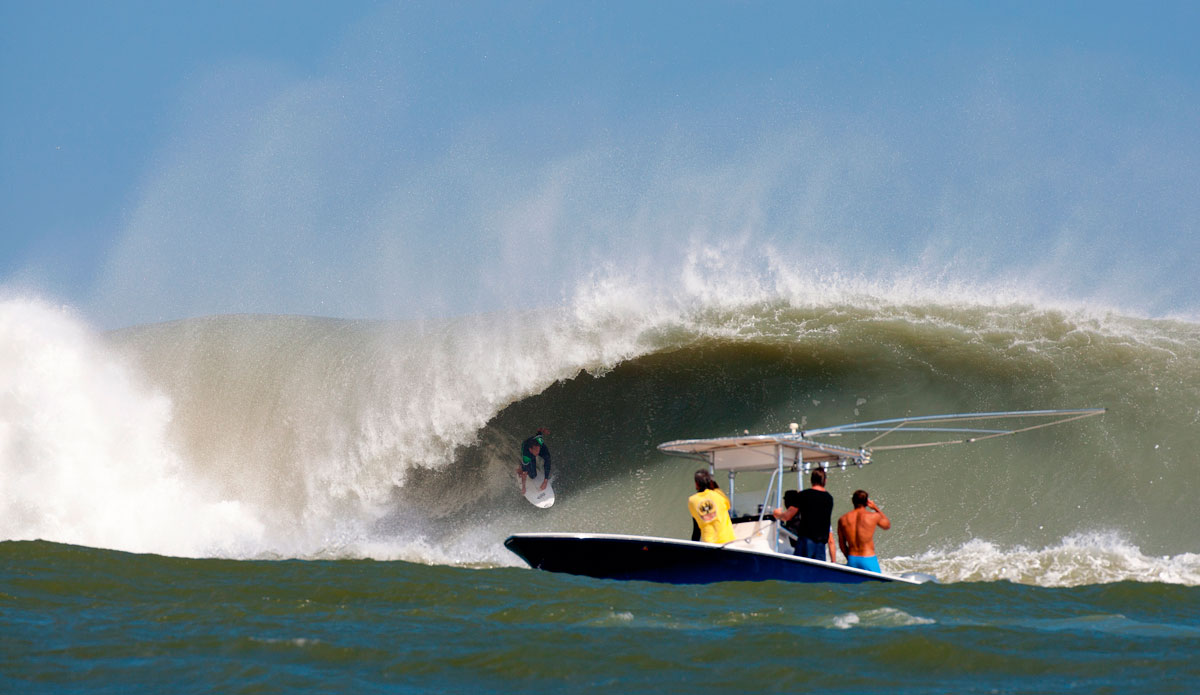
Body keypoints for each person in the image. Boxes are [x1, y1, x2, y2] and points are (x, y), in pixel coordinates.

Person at [772, 467, 837, 562]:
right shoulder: (829, 498)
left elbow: (787, 516)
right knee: (816, 574)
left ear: (811, 480)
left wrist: (777, 514)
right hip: (821, 545)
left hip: (806, 542)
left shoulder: (804, 495)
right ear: (825, 481)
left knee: (800, 570)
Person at [837, 489, 891, 573]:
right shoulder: (873, 516)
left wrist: (850, 559)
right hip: (868, 558)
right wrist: (875, 508)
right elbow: (887, 525)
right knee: (877, 584)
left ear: (852, 501)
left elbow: (842, 544)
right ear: (866, 502)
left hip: (852, 558)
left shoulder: (843, 519)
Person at [688, 469, 736, 544]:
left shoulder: (692, 501)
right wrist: (715, 486)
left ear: (696, 484)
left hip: (709, 544)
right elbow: (728, 506)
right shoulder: (718, 494)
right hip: (727, 540)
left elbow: (696, 529)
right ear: (710, 482)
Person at [517, 428, 551, 494]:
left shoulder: (539, 441)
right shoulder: (526, 455)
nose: (537, 453)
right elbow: (525, 473)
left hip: (537, 445)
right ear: (530, 449)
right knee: (533, 476)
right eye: (536, 451)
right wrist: (523, 487)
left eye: (538, 450)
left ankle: (545, 479)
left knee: (547, 458)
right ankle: (521, 466)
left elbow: (539, 430)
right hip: (526, 447)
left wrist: (544, 430)